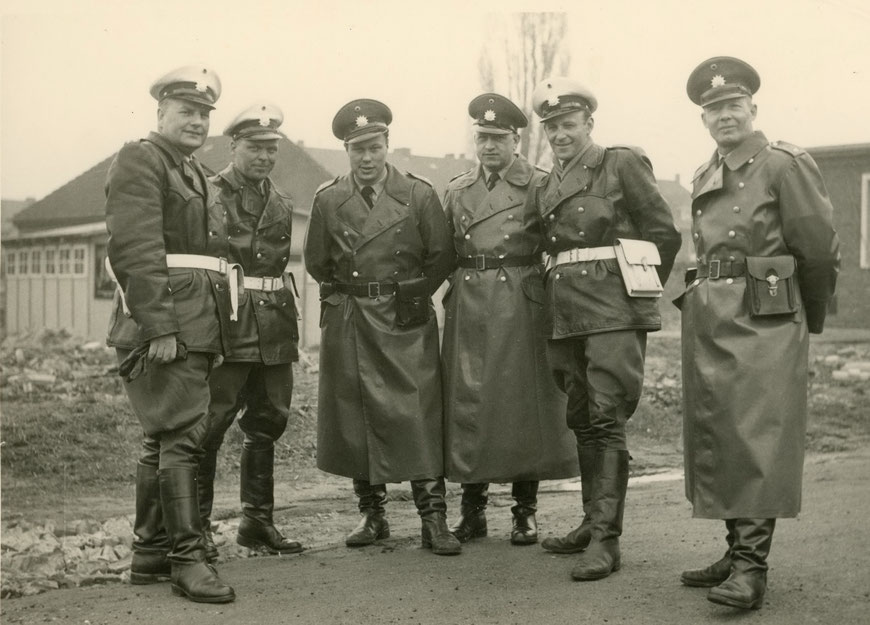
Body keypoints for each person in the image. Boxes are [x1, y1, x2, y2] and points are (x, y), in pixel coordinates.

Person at [678, 56, 840, 610]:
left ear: (753, 107)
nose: (724, 116)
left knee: (757, 437)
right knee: (721, 434)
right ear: (703, 119)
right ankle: (734, 549)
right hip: (712, 317)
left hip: (766, 318)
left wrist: (805, 319)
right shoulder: (705, 172)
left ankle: (752, 567)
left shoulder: (784, 164)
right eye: (713, 109)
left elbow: (818, 250)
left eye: (732, 105)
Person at [531, 77, 681, 581]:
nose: (560, 135)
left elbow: (663, 232)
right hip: (565, 311)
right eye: (552, 128)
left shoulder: (620, 163)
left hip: (611, 311)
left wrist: (634, 293)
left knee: (607, 415)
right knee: (580, 415)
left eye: (569, 125)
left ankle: (606, 540)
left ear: (589, 124)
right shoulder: (548, 181)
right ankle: (590, 521)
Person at [303, 99, 460, 555]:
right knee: (356, 415)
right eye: (357, 150)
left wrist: (412, 296)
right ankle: (372, 515)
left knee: (417, 413)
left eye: (373, 147)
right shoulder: (329, 199)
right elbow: (317, 261)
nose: (366, 158)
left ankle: (434, 520)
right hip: (352, 319)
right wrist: (344, 301)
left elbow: (441, 256)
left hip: (404, 318)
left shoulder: (419, 195)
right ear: (346, 152)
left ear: (387, 144)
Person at [105, 65, 235, 603]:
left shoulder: (195, 171)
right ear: (161, 111)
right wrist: (158, 325)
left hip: (196, 321)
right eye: (187, 111)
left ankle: (150, 553)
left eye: (205, 114)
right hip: (167, 323)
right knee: (183, 435)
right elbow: (134, 247)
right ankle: (187, 559)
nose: (198, 121)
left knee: (162, 437)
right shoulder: (142, 158)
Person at [441, 93, 578, 546]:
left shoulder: (537, 184)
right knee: (469, 401)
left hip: (520, 297)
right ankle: (473, 509)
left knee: (524, 402)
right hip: (469, 298)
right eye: (482, 138)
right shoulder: (458, 189)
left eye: (499, 138)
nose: (489, 147)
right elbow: (443, 252)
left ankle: (525, 511)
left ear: (516, 140)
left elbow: (556, 242)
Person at [197, 103, 303, 561]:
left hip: (274, 325)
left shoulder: (281, 201)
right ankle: (195, 529)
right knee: (211, 425)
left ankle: (257, 522)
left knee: (268, 421)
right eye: (254, 147)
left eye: (270, 149)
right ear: (232, 146)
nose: (263, 157)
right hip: (229, 322)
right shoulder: (208, 194)